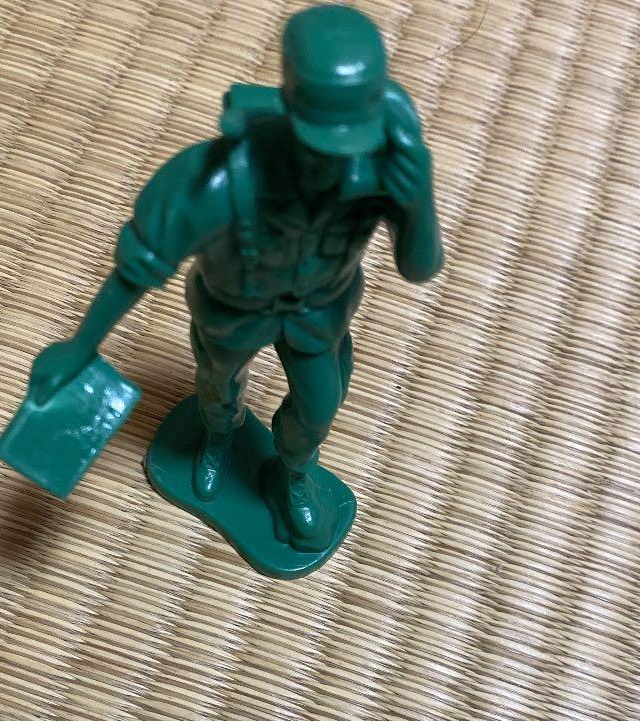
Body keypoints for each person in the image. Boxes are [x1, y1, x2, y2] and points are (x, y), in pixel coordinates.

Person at [29, 3, 443, 552]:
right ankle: (217, 438)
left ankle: (293, 474)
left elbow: (419, 268)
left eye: (348, 146)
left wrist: (417, 197)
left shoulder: (380, 171)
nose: (332, 165)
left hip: (320, 314)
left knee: (320, 404)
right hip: (232, 312)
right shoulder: (219, 180)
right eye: (318, 145)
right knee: (217, 387)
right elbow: (139, 266)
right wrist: (81, 346)